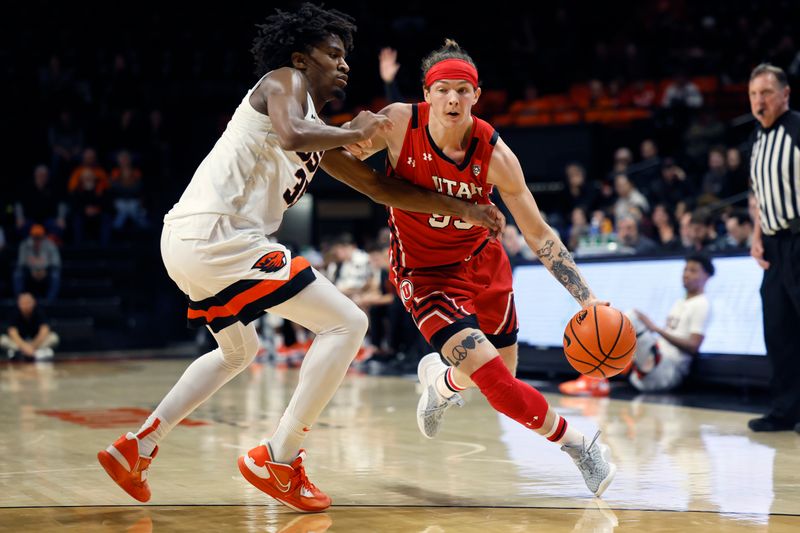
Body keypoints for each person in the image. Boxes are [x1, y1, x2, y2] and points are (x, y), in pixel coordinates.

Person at [96, 6, 504, 513]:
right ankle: (280, 457)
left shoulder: (315, 127)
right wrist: (357, 133)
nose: (343, 65)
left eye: (345, 56)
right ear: (299, 58)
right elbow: (290, 135)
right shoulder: (281, 82)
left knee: (237, 353)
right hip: (219, 234)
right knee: (347, 324)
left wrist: (464, 208)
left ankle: (140, 445)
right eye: (333, 54)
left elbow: (379, 187)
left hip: (194, 242)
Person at [345, 40, 615, 497]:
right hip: (426, 275)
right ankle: (579, 443)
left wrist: (586, 297)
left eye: (463, 90)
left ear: (477, 95)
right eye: (444, 89)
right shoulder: (395, 124)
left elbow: (539, 233)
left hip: (484, 264)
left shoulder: (496, 156)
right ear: (427, 94)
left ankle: (441, 382)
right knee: (495, 382)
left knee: (502, 372)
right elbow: (337, 153)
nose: (453, 99)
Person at [559, 254, 713, 396]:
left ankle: (593, 380)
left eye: (693, 271)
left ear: (707, 276)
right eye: (685, 269)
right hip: (653, 367)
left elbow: (694, 346)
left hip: (669, 371)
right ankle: (604, 374)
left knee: (631, 317)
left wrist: (655, 329)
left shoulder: (701, 304)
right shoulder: (680, 302)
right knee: (621, 320)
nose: (686, 274)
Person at [746, 64, 800, 433]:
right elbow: (759, 196)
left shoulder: (797, 130)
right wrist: (756, 234)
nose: (758, 101)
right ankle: (785, 410)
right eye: (753, 94)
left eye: (766, 92)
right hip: (774, 246)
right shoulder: (758, 140)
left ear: (785, 94)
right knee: (778, 330)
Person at [0, 293, 59, 361]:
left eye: (28, 303)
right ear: (19, 304)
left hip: (36, 343)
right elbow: (12, 332)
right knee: (2, 340)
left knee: (54, 338)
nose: (26, 306)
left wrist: (33, 346)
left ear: (34, 302)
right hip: (20, 343)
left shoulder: (39, 311)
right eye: (23, 303)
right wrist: (24, 346)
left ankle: (19, 354)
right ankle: (36, 354)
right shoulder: (14, 312)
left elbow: (44, 330)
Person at [13, 224, 61, 303]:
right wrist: (32, 271)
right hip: (29, 273)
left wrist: (45, 271)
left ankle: (50, 302)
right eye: (35, 237)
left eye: (39, 237)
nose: (37, 240)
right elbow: (21, 263)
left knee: (55, 275)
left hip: (46, 273)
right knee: (18, 274)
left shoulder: (50, 245)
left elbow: (56, 263)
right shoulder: (24, 245)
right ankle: (20, 300)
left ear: (43, 236)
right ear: (31, 236)